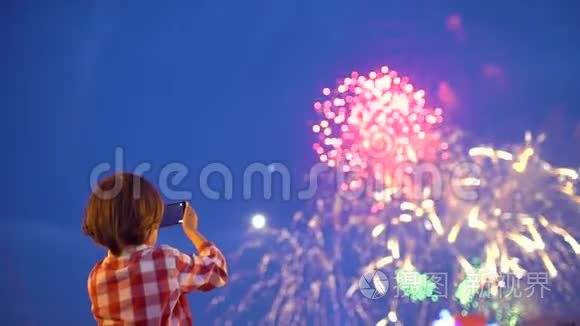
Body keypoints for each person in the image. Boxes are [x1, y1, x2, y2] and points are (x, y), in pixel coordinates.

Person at [82, 172, 228, 325]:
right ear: (148, 226)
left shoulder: (96, 278)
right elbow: (217, 271)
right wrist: (192, 231)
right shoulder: (165, 261)